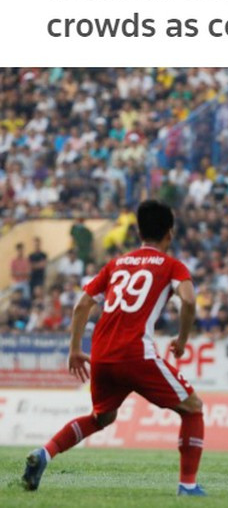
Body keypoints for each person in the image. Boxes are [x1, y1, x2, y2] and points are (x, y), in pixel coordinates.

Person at [22, 200, 206, 496]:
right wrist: (182, 340)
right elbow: (189, 300)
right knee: (193, 408)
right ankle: (188, 485)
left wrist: (74, 349)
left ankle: (44, 453)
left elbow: (82, 305)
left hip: (102, 353)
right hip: (135, 353)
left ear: (138, 232)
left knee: (102, 417)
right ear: (169, 233)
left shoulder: (116, 263)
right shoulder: (172, 265)